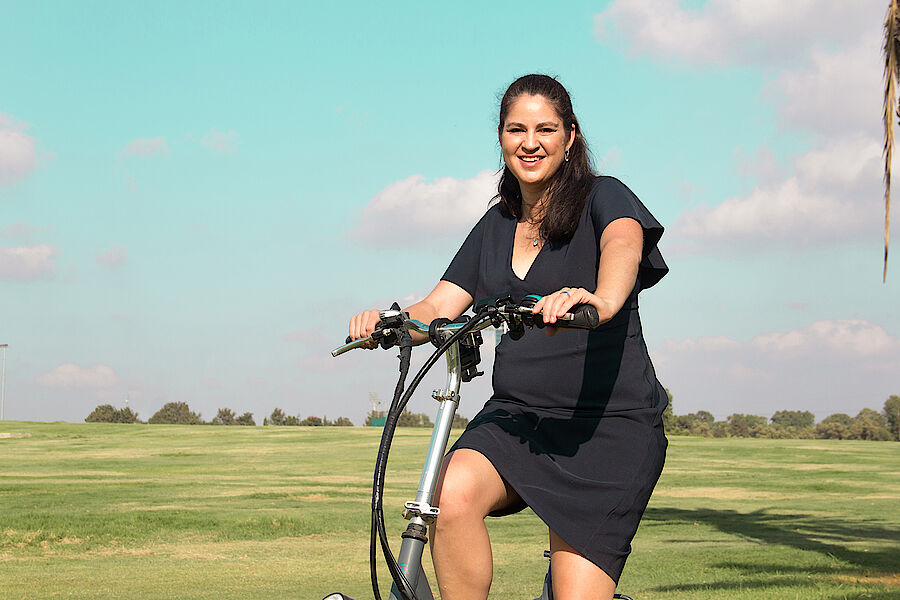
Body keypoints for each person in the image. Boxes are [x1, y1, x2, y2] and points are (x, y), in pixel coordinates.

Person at [348, 74, 669, 600]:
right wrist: (389, 320)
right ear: (500, 138)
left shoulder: (601, 197)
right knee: (447, 494)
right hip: (517, 419)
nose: (530, 142)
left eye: (545, 129)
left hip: (606, 429)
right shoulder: (496, 224)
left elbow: (623, 239)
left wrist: (604, 300)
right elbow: (437, 305)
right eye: (516, 129)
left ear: (570, 136)